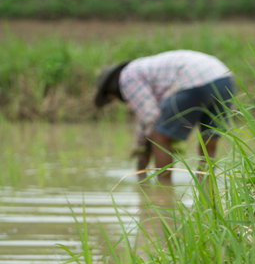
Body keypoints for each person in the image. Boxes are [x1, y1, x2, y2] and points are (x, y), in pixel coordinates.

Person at [94, 50, 235, 182]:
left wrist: (141, 157)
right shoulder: (143, 68)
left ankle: (164, 188)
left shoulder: (127, 77)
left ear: (111, 89)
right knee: (209, 141)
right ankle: (207, 186)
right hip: (224, 78)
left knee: (160, 136)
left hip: (194, 81)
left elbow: (150, 117)